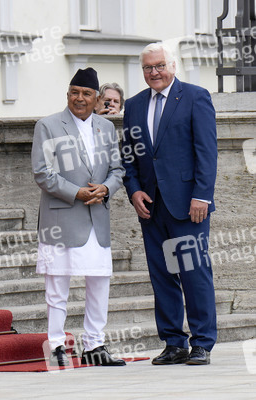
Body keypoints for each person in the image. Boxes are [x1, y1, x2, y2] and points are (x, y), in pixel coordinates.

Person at [122, 42, 217, 365]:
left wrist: (202, 195)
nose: (154, 72)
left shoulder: (195, 96)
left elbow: (206, 150)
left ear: (173, 66)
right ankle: (174, 343)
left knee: (193, 272)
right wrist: (133, 190)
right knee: (161, 274)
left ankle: (202, 342)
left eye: (160, 65)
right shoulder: (134, 105)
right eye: (148, 67)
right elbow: (129, 155)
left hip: (188, 204)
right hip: (151, 205)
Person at [31, 67, 126, 367]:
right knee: (57, 286)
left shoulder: (106, 128)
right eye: (74, 93)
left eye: (86, 94)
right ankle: (57, 345)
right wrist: (77, 193)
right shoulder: (47, 126)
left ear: (97, 99)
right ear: (67, 95)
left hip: (96, 218)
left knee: (99, 283)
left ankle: (94, 345)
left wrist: (105, 188)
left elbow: (118, 170)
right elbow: (42, 172)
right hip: (62, 219)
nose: (79, 99)